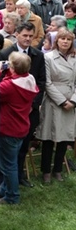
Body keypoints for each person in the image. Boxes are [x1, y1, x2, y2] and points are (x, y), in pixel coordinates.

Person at [0, 22, 46, 188]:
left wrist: (32, 104)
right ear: (16, 35)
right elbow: (1, 83)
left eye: (30, 36)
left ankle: (20, 175)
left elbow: (41, 82)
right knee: (7, 150)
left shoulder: (38, 55)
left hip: (30, 110)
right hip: (10, 111)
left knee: (23, 146)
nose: (27, 39)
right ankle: (5, 181)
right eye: (24, 35)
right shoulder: (5, 53)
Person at [0, 53, 38, 204]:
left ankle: (12, 196)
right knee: (11, 161)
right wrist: (8, 74)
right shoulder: (29, 79)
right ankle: (5, 189)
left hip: (8, 129)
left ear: (12, 68)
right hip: (21, 127)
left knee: (7, 165)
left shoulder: (8, 87)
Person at [35, 29, 76, 184]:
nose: (65, 41)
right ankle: (46, 171)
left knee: (65, 137)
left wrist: (72, 101)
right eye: (62, 39)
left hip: (71, 102)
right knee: (49, 137)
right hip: (53, 101)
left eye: (68, 39)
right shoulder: (48, 57)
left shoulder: (74, 58)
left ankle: (58, 169)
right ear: (56, 41)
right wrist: (61, 101)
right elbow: (47, 82)